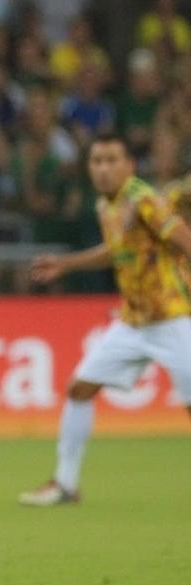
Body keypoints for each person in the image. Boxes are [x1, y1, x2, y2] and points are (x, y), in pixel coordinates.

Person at [19, 133, 191, 506]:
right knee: (80, 388)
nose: (103, 168)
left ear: (129, 165)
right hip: (133, 321)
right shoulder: (106, 206)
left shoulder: (143, 200)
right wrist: (66, 263)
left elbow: (182, 238)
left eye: (112, 160)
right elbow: (118, 252)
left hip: (174, 317)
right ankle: (65, 484)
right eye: (97, 161)